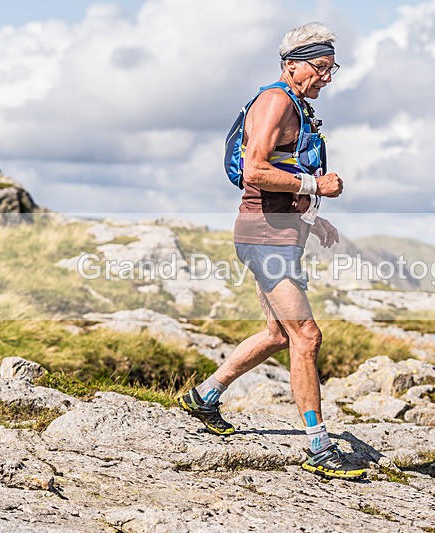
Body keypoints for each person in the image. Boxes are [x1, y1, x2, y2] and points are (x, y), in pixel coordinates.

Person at [180, 22, 365, 480]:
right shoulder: (276, 101)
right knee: (306, 336)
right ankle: (320, 448)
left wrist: (309, 215)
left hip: (278, 231)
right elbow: (254, 171)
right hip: (264, 236)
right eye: (320, 67)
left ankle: (203, 397)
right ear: (292, 65)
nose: (326, 76)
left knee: (279, 334)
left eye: (331, 68)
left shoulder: (296, 105)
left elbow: (279, 177)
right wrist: (315, 184)